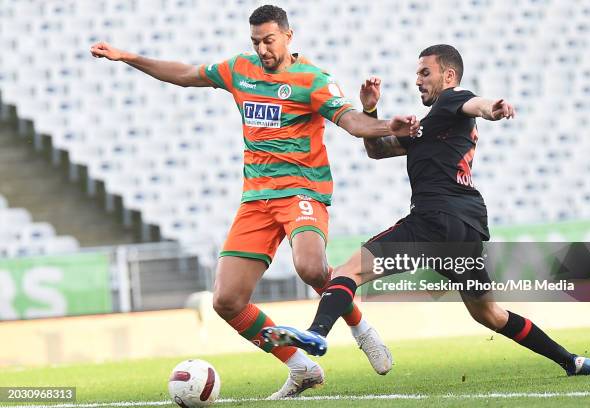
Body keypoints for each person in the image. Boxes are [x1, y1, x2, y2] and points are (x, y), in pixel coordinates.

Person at [90, 4, 420, 399]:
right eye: (256, 42)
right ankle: (300, 367)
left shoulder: (312, 79)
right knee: (226, 301)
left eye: (269, 40)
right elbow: (185, 74)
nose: (262, 49)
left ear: (287, 36)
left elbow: (351, 122)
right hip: (257, 200)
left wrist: (386, 124)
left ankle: (361, 329)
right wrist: (129, 57)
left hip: (302, 190)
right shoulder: (239, 70)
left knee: (312, 268)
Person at [262, 44, 590, 377]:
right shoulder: (430, 125)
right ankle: (571, 361)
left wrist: (492, 107)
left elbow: (474, 104)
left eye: (425, 72)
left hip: (434, 220)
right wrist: (371, 110)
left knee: (348, 272)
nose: (418, 80)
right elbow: (377, 151)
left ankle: (317, 333)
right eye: (416, 74)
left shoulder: (452, 100)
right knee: (489, 314)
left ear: (448, 75)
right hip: (463, 230)